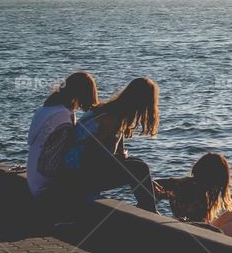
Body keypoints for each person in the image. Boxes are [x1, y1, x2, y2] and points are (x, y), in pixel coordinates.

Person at [60, 77, 160, 212]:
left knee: (137, 164)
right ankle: (150, 210)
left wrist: (146, 182)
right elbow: (90, 155)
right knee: (140, 168)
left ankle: (148, 207)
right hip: (77, 177)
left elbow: (118, 156)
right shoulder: (111, 120)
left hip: (72, 171)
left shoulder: (107, 111)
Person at [26, 72, 100, 199]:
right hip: (45, 186)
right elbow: (62, 154)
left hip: (33, 177)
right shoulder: (63, 116)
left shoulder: (45, 109)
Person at [154, 153, 232, 242]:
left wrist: (156, 200)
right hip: (199, 236)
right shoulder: (199, 191)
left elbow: (152, 183)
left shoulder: (181, 183)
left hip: (199, 229)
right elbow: (196, 222)